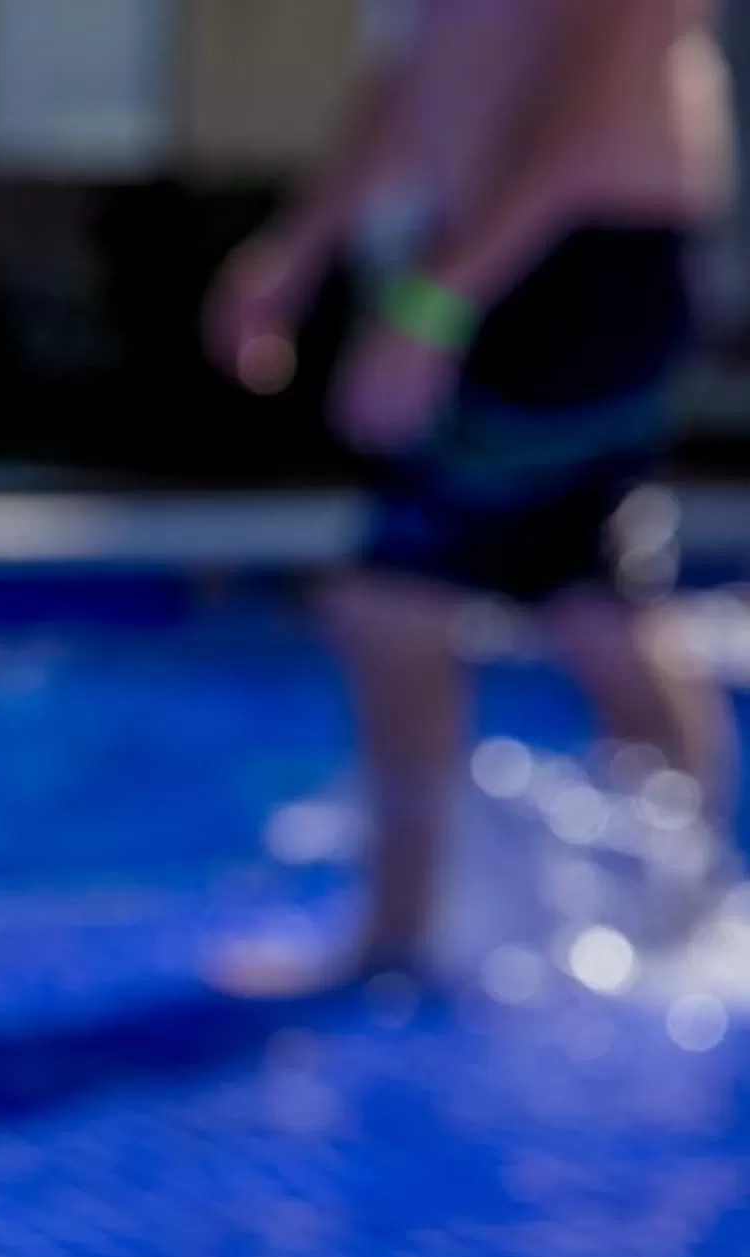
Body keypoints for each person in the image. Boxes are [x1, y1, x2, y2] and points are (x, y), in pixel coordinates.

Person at [204, 0, 736, 991]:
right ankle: (693, 920)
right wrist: (304, 242)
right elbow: (426, 75)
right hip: (525, 254)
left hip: (572, 256)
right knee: (587, 587)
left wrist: (436, 297)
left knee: (393, 597)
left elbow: (597, 97)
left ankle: (399, 942)